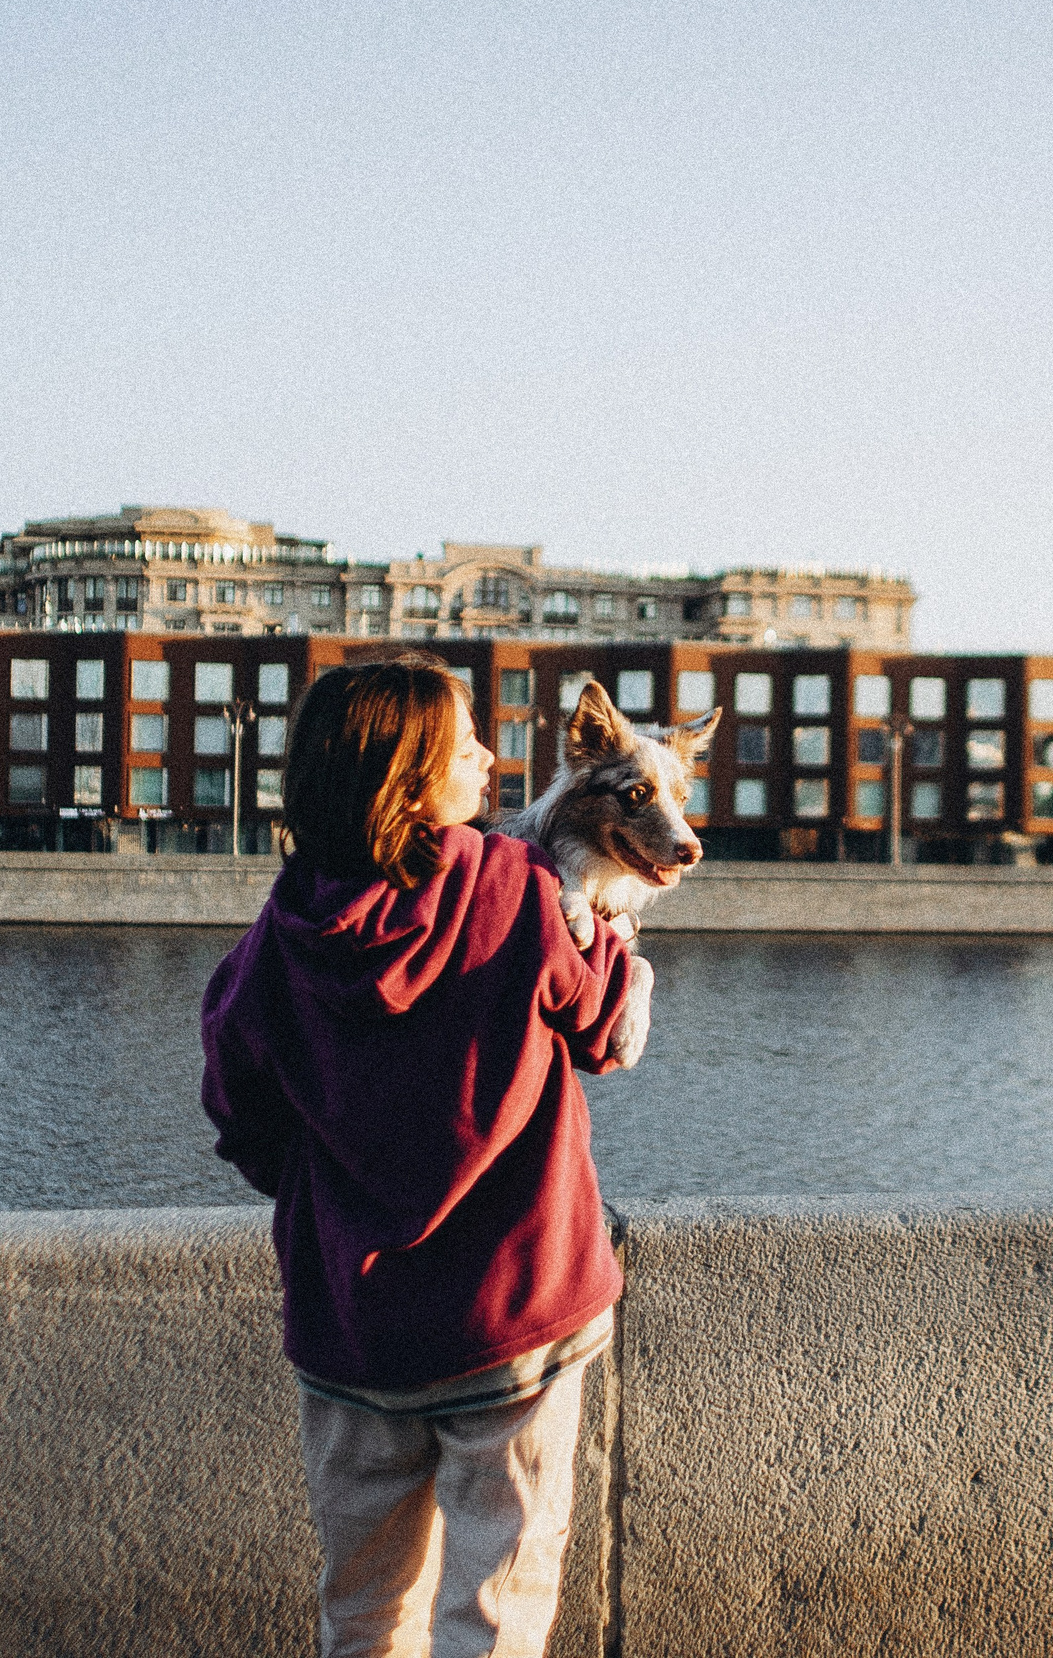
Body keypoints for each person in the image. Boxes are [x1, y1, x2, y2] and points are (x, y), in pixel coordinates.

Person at [201, 654, 653, 1658]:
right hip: (517, 1315)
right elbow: (607, 1033)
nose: (492, 761)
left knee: (362, 1611)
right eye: (465, 745)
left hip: (353, 1327)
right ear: (411, 782)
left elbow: (237, 1108)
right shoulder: (516, 888)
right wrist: (618, 934)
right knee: (493, 1613)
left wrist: (333, 1197)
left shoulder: (278, 937)